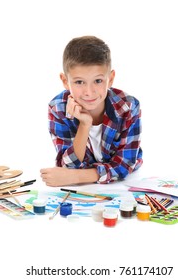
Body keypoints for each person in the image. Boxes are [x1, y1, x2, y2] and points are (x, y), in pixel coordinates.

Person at [40, 36, 142, 187]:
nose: (89, 92)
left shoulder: (127, 106)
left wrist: (76, 177)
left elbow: (124, 165)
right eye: (79, 82)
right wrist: (84, 124)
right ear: (65, 81)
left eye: (98, 81)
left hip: (121, 186)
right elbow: (68, 165)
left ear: (110, 78)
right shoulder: (58, 108)